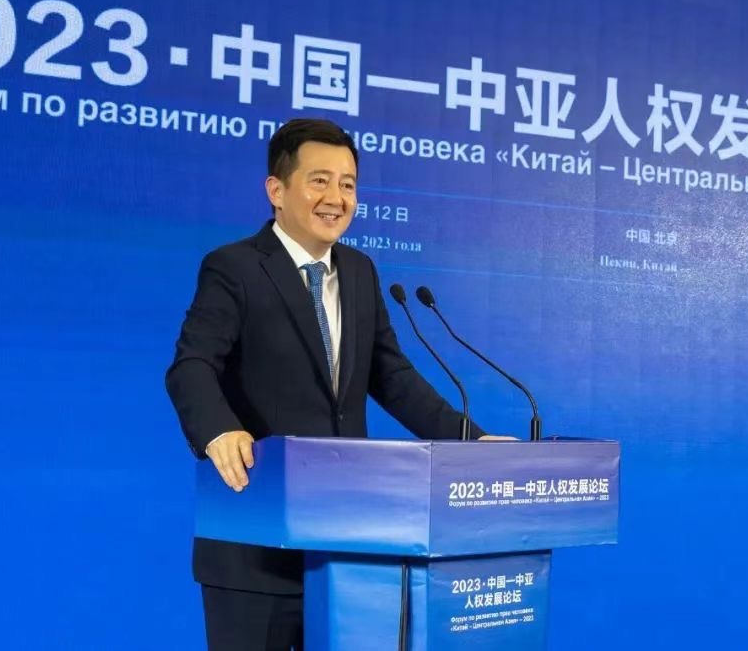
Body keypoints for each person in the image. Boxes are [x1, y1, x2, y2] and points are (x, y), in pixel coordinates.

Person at [165, 118, 511, 650]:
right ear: (276, 190)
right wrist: (219, 431)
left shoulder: (359, 271)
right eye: (320, 181)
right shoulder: (234, 267)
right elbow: (191, 365)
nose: (337, 198)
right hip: (256, 542)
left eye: (348, 184)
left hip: (347, 544)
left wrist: (473, 442)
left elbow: (392, 378)